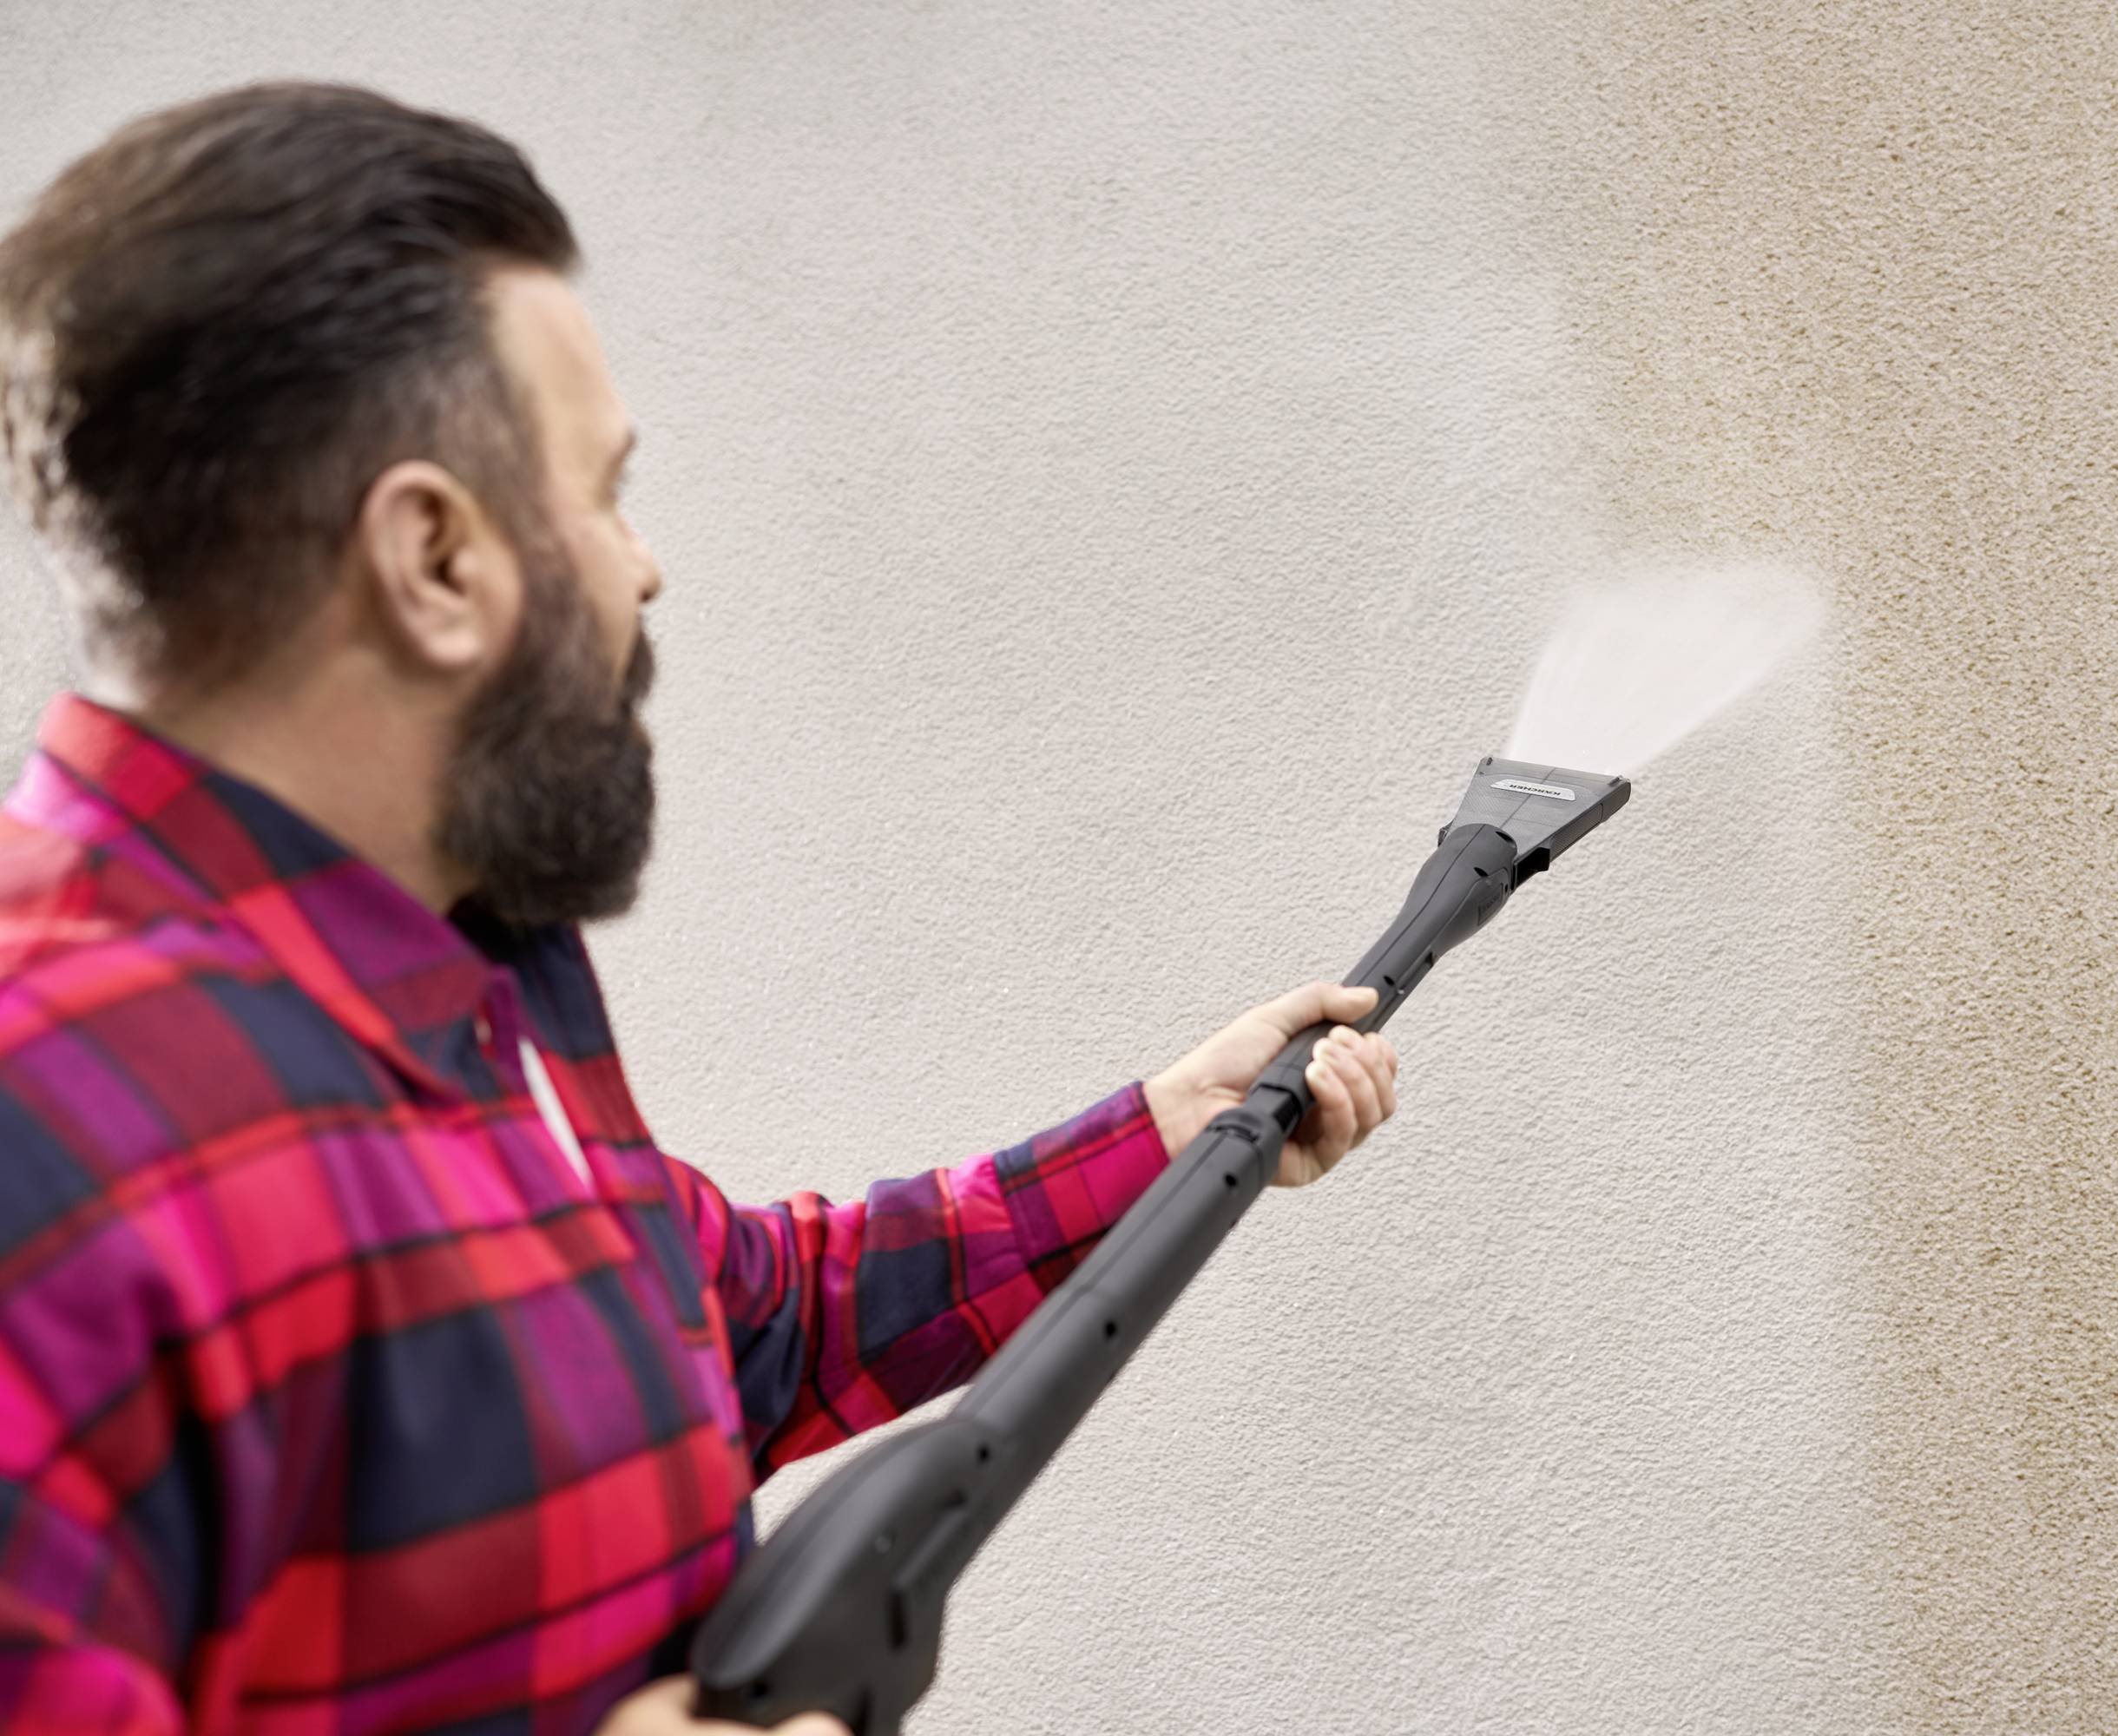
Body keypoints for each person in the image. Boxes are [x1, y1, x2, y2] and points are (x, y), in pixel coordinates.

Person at [0, 82, 1401, 1734]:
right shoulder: (46, 1128)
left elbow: (729, 1331)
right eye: (604, 494)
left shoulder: (452, 967)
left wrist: (1159, 1136)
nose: (642, 568)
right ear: (435, 562)